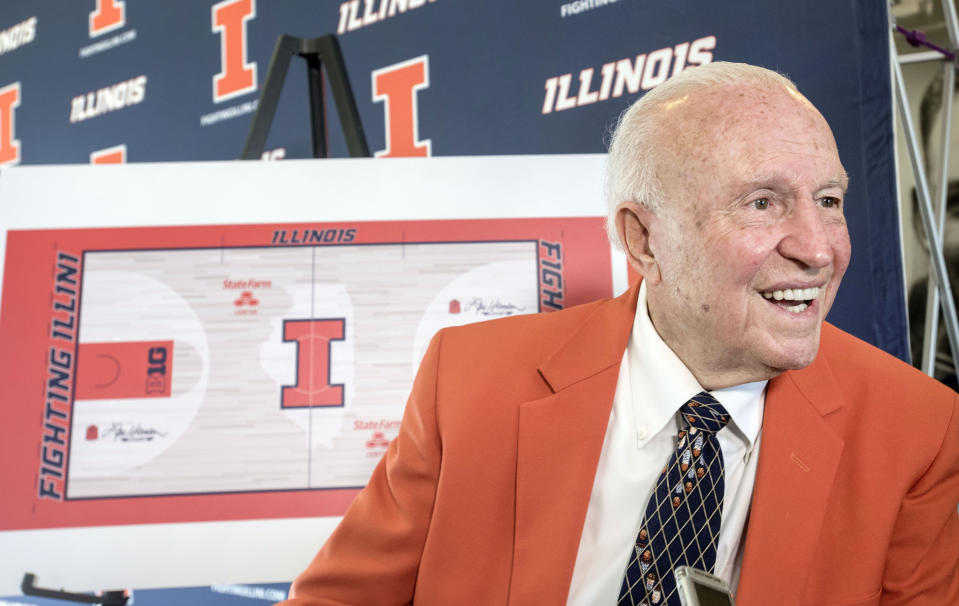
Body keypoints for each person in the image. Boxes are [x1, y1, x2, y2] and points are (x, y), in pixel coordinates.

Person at [278, 62, 959, 605]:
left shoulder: (917, 430)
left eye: (829, 202)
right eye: (762, 203)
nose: (818, 249)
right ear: (643, 239)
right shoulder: (470, 381)